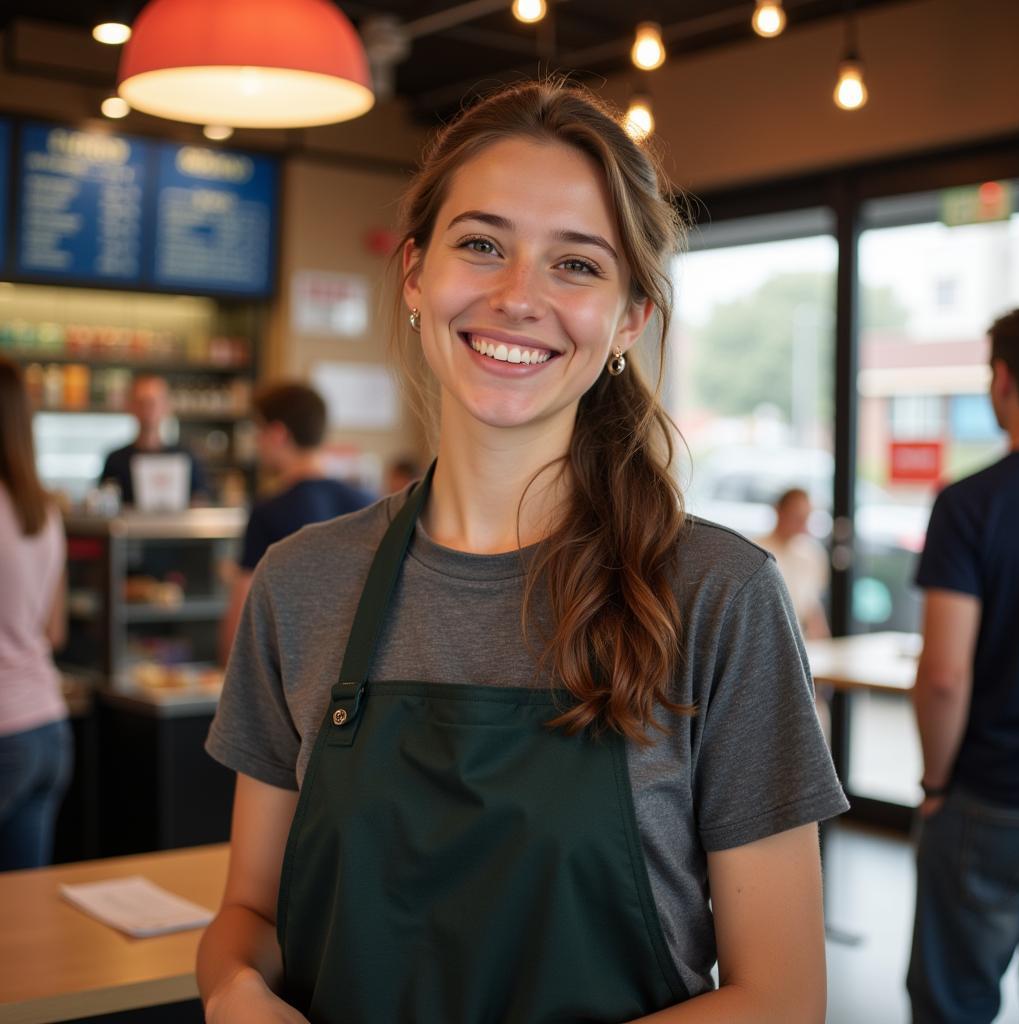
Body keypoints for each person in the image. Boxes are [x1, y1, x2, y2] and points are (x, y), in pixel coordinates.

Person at [197, 80, 848, 1024]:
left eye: (576, 265)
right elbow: (248, 914)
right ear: (416, 274)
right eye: (482, 244)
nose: (517, 297)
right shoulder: (301, 583)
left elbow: (782, 998)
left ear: (628, 318)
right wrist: (234, 990)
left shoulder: (720, 596)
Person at [907, 306, 1019, 1023]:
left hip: (992, 798)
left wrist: (935, 782)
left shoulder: (971, 505)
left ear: (1004, 380)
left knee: (954, 1002)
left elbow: (945, 676)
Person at [218, 382, 374, 664]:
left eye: (258, 431)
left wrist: (226, 669)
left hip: (292, 668)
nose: (256, 442)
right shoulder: (367, 503)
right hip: (354, 669)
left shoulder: (269, 512)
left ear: (277, 434)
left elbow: (243, 614)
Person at [0, 356, 73, 870]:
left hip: (3, 732)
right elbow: (55, 629)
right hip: (47, 730)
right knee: (22, 919)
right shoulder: (43, 510)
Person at [99, 374, 208, 505]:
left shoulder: (187, 457)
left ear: (166, 406)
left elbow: (201, 502)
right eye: (141, 402)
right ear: (130, 406)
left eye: (153, 402)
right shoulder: (115, 461)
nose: (147, 409)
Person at [758, 487, 831, 640]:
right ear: (779, 511)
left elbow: (812, 607)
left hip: (801, 642)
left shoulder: (812, 553)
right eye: (795, 516)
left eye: (805, 517)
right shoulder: (757, 552)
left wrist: (824, 643)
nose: (801, 524)